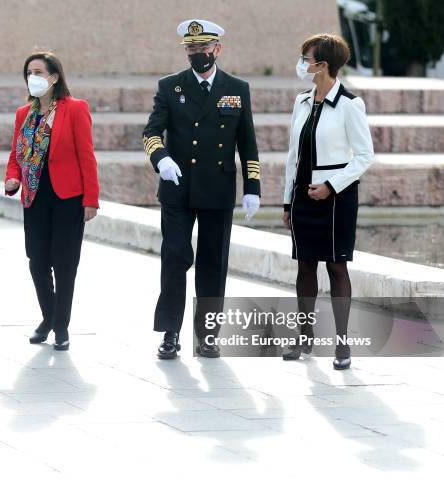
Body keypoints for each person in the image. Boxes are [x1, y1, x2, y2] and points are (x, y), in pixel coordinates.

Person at [143, 20, 261, 359]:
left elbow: (247, 143)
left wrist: (252, 186)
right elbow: (152, 132)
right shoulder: (170, 86)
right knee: (174, 257)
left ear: (217, 49)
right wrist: (161, 159)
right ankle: (169, 332)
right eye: (192, 49)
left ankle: (208, 335)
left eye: (204, 48)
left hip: (217, 189)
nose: (198, 54)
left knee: (213, 263)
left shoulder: (237, 88)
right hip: (177, 189)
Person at [281, 33, 374, 369]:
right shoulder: (301, 101)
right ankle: (304, 338)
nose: (302, 64)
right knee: (305, 265)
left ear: (323, 65)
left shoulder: (351, 105)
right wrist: (286, 201)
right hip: (303, 196)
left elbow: (364, 156)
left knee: (336, 267)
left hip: (337, 199)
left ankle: (342, 343)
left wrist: (331, 186)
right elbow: (294, 155)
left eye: (307, 58)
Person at [5, 51, 99, 351]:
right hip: (35, 197)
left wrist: (91, 198)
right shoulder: (24, 114)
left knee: (65, 263)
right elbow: (15, 155)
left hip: (68, 197)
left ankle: (61, 327)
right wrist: (12, 177)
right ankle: (49, 316)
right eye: (29, 72)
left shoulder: (75, 109)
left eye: (38, 72)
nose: (33, 77)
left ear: (54, 77)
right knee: (37, 260)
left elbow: (87, 156)